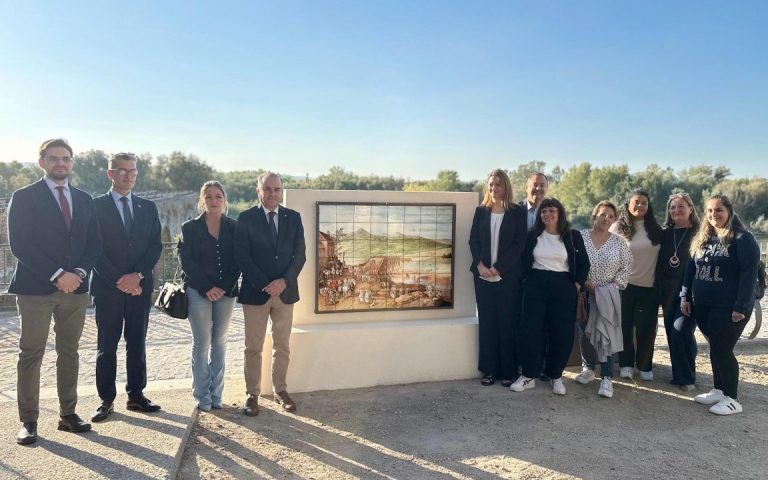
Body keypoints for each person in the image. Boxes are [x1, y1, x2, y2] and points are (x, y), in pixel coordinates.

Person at [8, 138, 102, 445]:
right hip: (36, 288)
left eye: (65, 158)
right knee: (31, 353)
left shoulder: (85, 199)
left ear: (72, 163)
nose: (60, 163)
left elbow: (94, 244)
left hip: (75, 289)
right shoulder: (24, 197)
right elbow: (21, 244)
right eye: (54, 158)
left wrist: (78, 273)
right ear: (42, 163)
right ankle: (29, 420)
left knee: (69, 352)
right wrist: (57, 274)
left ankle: (68, 414)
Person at [90, 153, 163, 422]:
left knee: (137, 343)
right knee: (106, 346)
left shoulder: (148, 207)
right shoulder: (95, 206)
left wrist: (138, 276)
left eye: (132, 171)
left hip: (140, 288)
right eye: (122, 171)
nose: (128, 176)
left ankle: (136, 395)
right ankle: (106, 400)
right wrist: (121, 281)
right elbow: (94, 249)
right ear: (110, 174)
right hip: (108, 289)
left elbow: (155, 246)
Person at [681, 194, 760, 415]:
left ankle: (733, 398)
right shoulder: (703, 238)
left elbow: (749, 276)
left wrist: (741, 307)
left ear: (729, 212)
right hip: (703, 304)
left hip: (729, 307)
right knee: (715, 348)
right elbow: (690, 269)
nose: (714, 215)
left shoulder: (743, 239)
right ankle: (719, 389)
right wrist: (685, 297)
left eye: (719, 210)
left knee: (723, 349)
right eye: (709, 211)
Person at [235, 172, 306, 416]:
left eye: (276, 189)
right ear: (259, 191)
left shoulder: (293, 218)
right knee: (253, 347)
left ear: (282, 191)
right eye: (267, 189)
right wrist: (267, 283)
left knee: (282, 346)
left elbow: (300, 255)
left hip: (285, 293)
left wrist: (283, 282)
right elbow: (242, 256)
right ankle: (252, 394)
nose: (272, 193)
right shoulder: (246, 218)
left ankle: (280, 390)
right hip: (256, 293)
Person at [511, 198, 590, 395]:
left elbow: (584, 263)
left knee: (561, 332)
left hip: (563, 286)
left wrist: (577, 284)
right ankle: (529, 375)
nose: (547, 215)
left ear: (560, 213)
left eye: (552, 211)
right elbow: (523, 261)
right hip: (536, 284)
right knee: (531, 330)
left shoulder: (572, 236)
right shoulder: (533, 235)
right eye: (544, 211)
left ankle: (555, 376)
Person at [178, 181, 241, 411]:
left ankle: (216, 395)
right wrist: (207, 288)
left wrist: (223, 287)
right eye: (209, 197)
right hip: (198, 291)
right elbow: (186, 262)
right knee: (202, 343)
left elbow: (238, 261)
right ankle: (202, 395)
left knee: (220, 342)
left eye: (218, 197)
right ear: (201, 201)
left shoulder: (235, 228)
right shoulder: (189, 228)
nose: (213, 201)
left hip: (227, 292)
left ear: (224, 200)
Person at [469, 169, 527, 387]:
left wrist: (499, 268)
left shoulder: (517, 212)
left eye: (499, 185)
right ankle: (489, 370)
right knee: (488, 324)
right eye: (491, 184)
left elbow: (519, 244)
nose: (494, 188)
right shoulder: (480, 211)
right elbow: (473, 240)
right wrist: (481, 265)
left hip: (507, 277)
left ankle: (508, 371)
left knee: (507, 323)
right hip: (482, 276)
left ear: (506, 187)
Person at [575, 201, 632, 398]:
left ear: (614, 219)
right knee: (585, 333)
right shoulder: (580, 237)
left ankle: (607, 378)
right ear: (594, 216)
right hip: (585, 293)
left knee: (606, 335)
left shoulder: (619, 242)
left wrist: (613, 287)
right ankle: (589, 368)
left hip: (609, 295)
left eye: (610, 216)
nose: (605, 218)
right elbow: (572, 262)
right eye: (602, 214)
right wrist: (584, 283)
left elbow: (626, 267)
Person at [610, 190, 662, 381]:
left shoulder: (656, 228)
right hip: (624, 286)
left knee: (646, 329)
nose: (639, 206)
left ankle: (644, 365)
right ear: (628, 204)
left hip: (649, 287)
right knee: (624, 327)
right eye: (636, 202)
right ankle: (625, 364)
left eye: (644, 203)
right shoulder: (617, 228)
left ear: (648, 207)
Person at [657, 193, 700, 391]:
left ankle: (687, 377)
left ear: (690, 208)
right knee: (672, 332)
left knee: (681, 330)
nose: (676, 210)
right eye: (672, 207)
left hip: (691, 292)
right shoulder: (665, 233)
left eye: (681, 206)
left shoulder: (700, 232)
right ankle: (680, 375)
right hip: (667, 292)